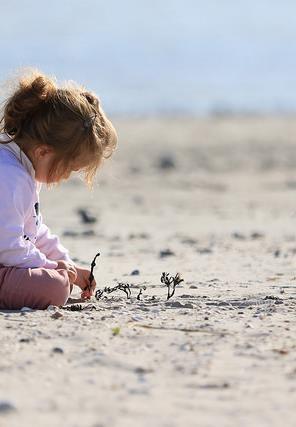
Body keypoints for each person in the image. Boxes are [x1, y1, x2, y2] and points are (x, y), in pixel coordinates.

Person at [0, 70, 117, 310]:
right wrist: (53, 268)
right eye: (69, 168)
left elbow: (34, 231)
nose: (66, 176)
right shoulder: (10, 176)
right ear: (43, 152)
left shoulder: (21, 168)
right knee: (53, 288)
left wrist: (65, 262)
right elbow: (8, 247)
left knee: (58, 281)